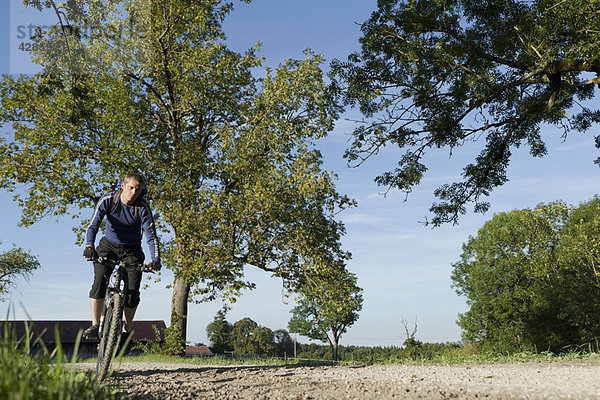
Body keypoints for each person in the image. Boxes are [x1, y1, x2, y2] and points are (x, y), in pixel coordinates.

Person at [82, 172, 161, 343]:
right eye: (131, 187)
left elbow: (151, 236)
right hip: (108, 246)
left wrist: (155, 259)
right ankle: (95, 325)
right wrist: (89, 246)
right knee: (99, 282)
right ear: (123, 186)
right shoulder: (108, 200)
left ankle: (126, 329)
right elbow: (93, 225)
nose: (133, 192)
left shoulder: (143, 208)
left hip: (132, 250)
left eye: (137, 190)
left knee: (132, 293)